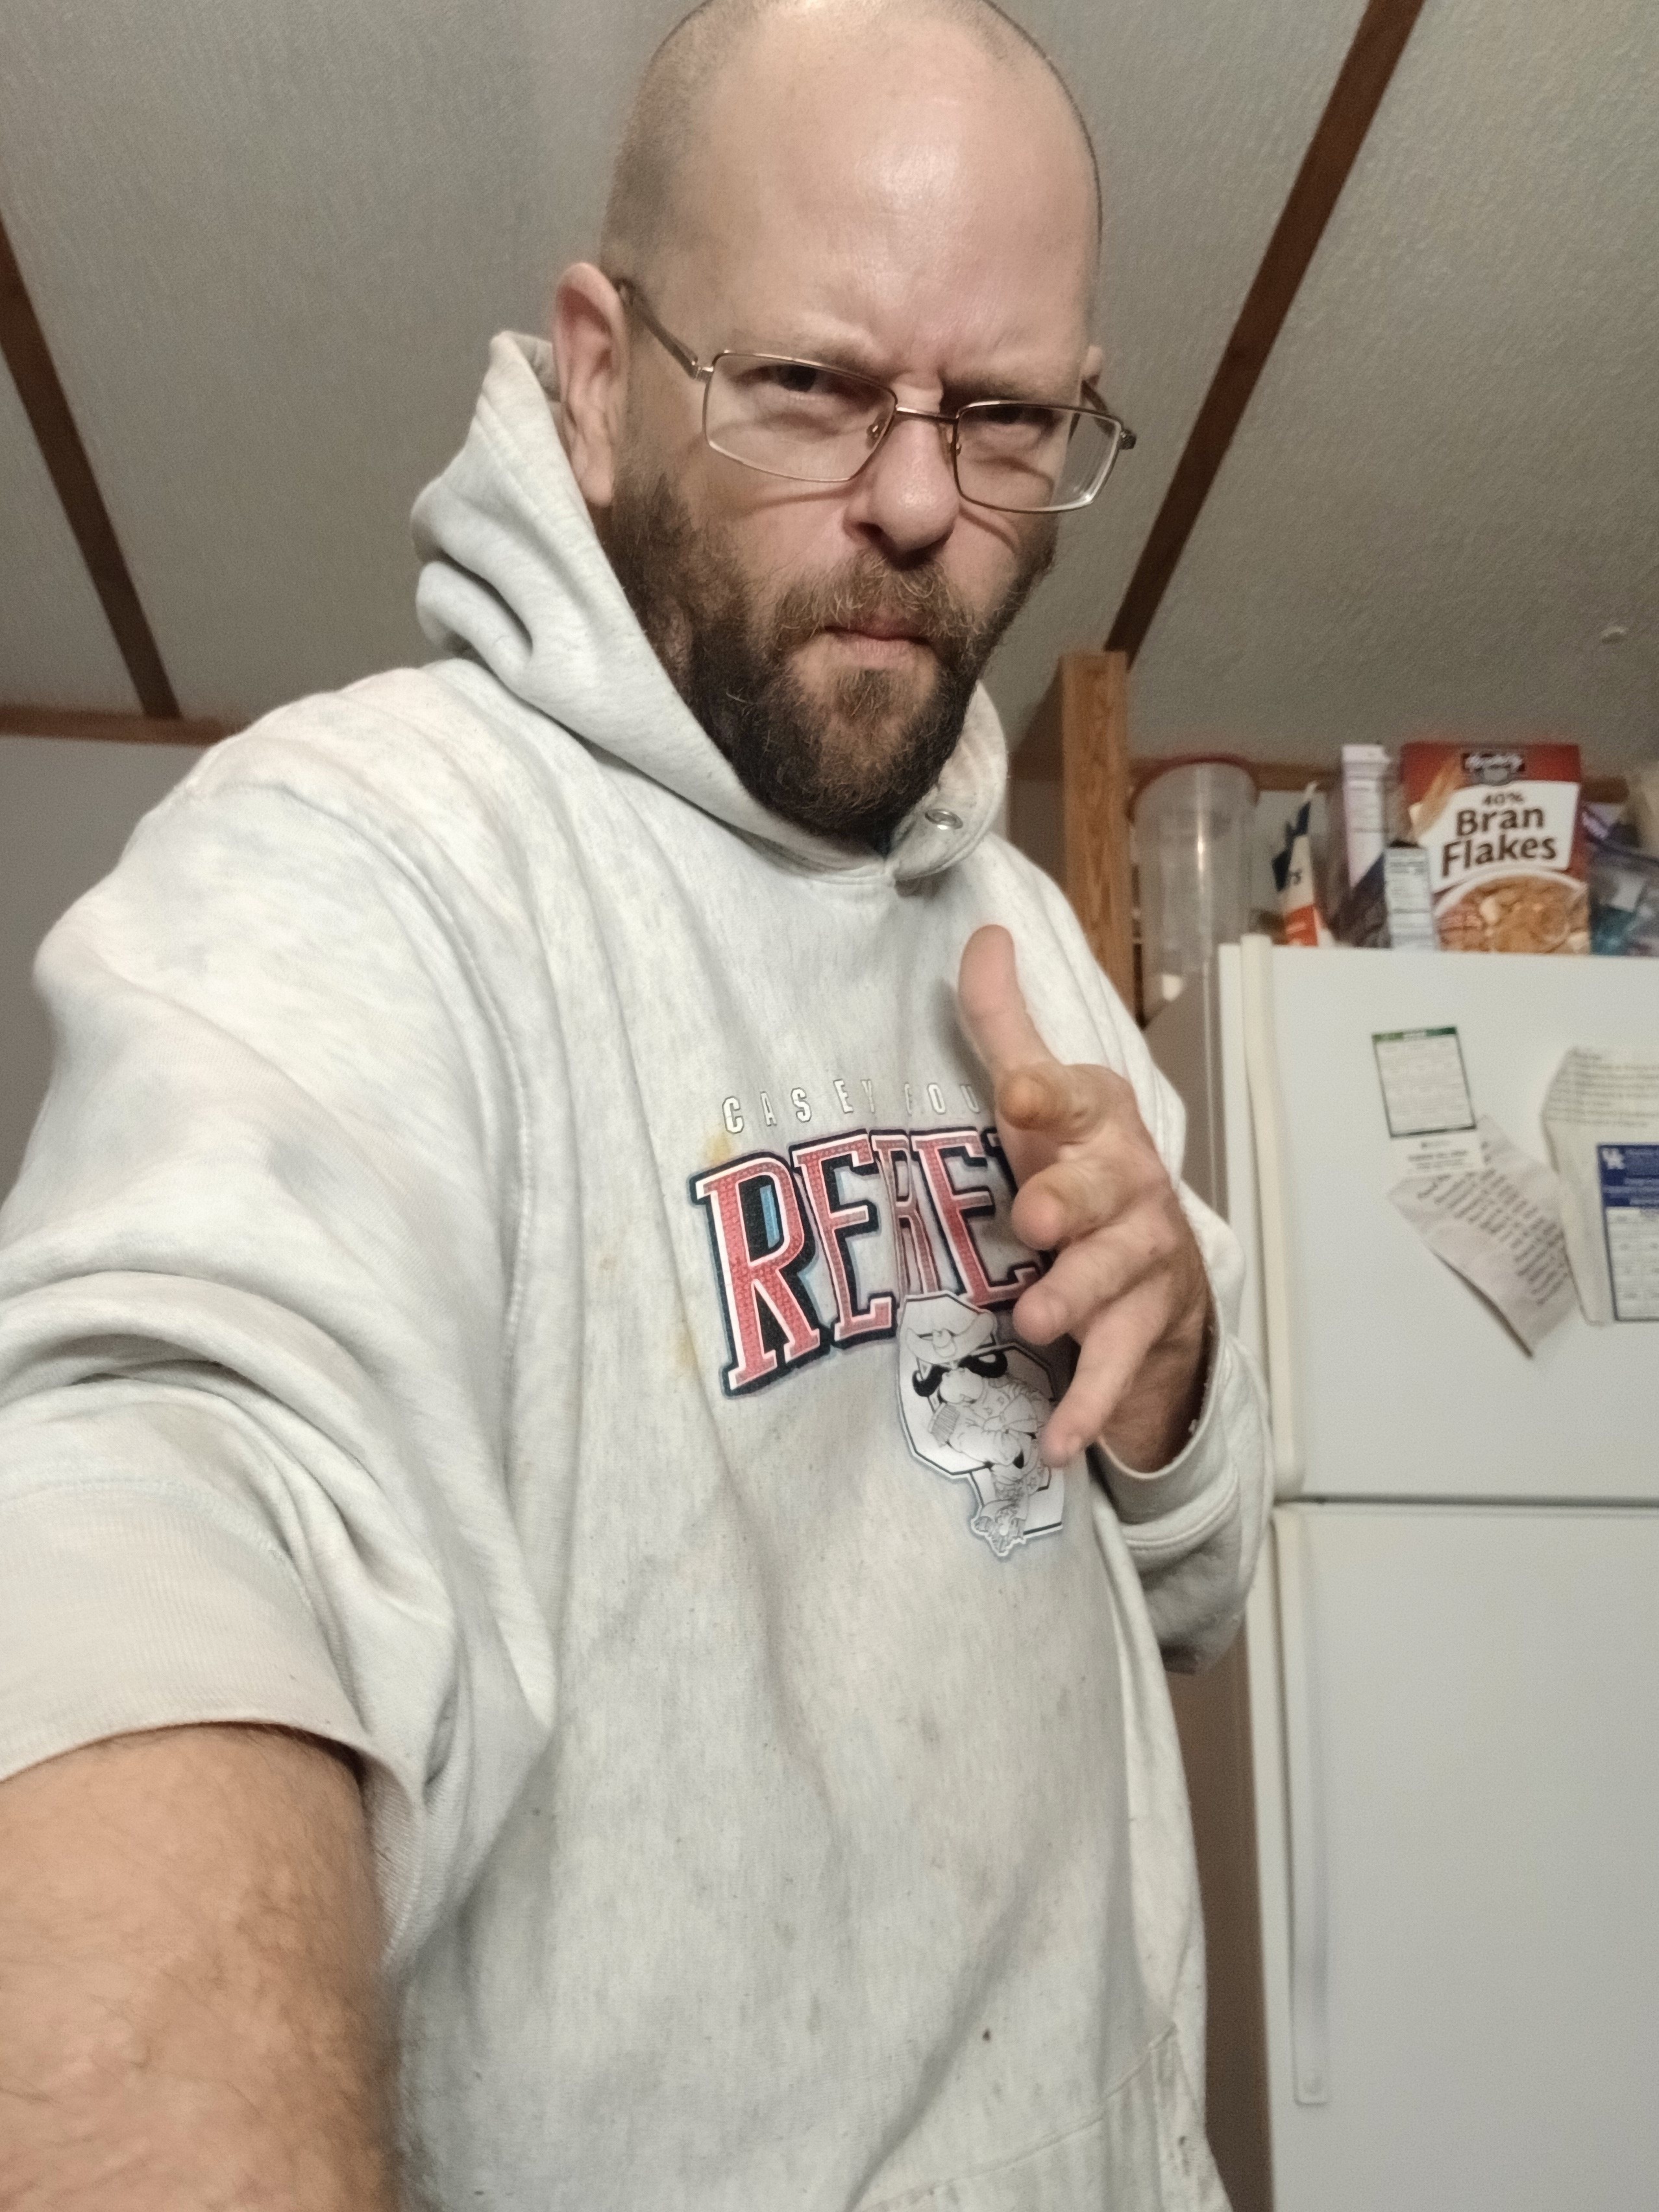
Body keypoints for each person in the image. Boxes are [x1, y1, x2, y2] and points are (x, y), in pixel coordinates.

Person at [0, 1, 1270, 2204]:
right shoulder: (363, 849)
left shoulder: (1020, 928)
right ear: (597, 378)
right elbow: (163, 1490)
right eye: (809, 385)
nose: (915, 503)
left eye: (999, 416)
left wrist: (1164, 1374)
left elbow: (1201, 1572)